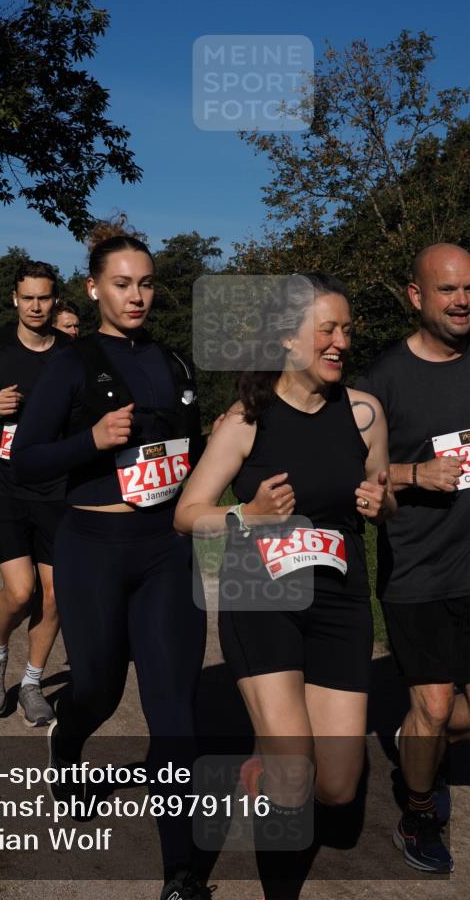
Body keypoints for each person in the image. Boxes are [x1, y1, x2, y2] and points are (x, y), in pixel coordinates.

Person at [175, 273, 395, 900]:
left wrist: (383, 505)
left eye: (346, 329)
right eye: (327, 329)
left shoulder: (363, 411)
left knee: (338, 787)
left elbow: (384, 496)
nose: (341, 341)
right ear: (287, 339)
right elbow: (187, 513)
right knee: (297, 780)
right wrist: (247, 515)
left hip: (339, 601)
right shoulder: (246, 420)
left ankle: (262, 769)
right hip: (261, 593)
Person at [11, 232, 207, 900]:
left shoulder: (174, 361)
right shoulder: (71, 364)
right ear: (93, 288)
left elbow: (201, 456)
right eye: (122, 284)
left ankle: (180, 872)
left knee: (173, 711)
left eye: (146, 283)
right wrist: (90, 441)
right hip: (93, 548)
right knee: (96, 688)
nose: (137, 296)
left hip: (167, 551)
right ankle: (68, 745)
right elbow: (26, 458)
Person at [356, 243, 470, 874]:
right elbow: (354, 473)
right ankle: (418, 810)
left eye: (469, 289)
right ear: (417, 296)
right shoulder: (381, 382)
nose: (461, 301)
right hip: (420, 571)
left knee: (446, 714)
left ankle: (413, 741)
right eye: (448, 290)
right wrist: (413, 474)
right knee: (432, 703)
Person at [0, 261, 70, 728]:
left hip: (57, 486)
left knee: (55, 596)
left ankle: (33, 682)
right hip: (2, 485)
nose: (36, 306)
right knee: (20, 592)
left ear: (55, 299)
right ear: (14, 300)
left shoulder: (71, 353)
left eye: (44, 297)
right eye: (28, 298)